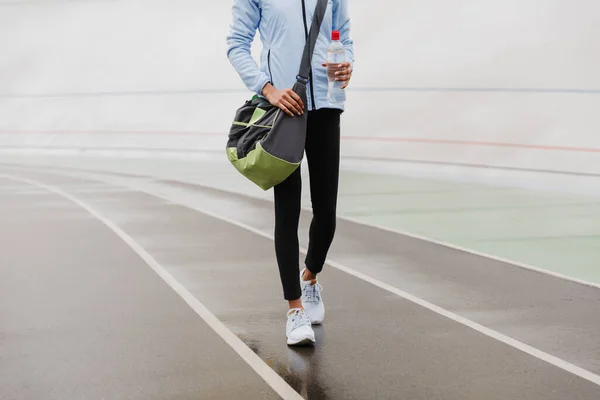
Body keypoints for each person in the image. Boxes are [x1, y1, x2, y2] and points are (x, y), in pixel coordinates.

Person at [226, 0, 354, 346]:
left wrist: (348, 65)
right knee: (287, 212)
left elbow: (344, 38)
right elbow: (236, 44)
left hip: (327, 106)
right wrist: (267, 89)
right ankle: (295, 308)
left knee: (326, 214)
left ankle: (310, 277)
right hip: (285, 110)